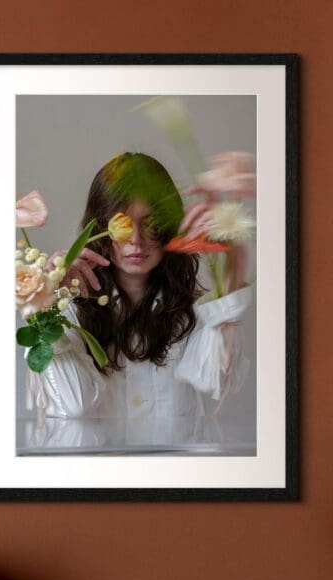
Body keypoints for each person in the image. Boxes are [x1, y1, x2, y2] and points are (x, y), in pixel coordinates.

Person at [30, 152, 253, 421]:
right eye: (123, 224)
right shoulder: (71, 312)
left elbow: (217, 380)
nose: (136, 240)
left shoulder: (193, 313)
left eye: (150, 224)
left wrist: (234, 262)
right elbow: (75, 405)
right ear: (100, 226)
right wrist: (45, 305)